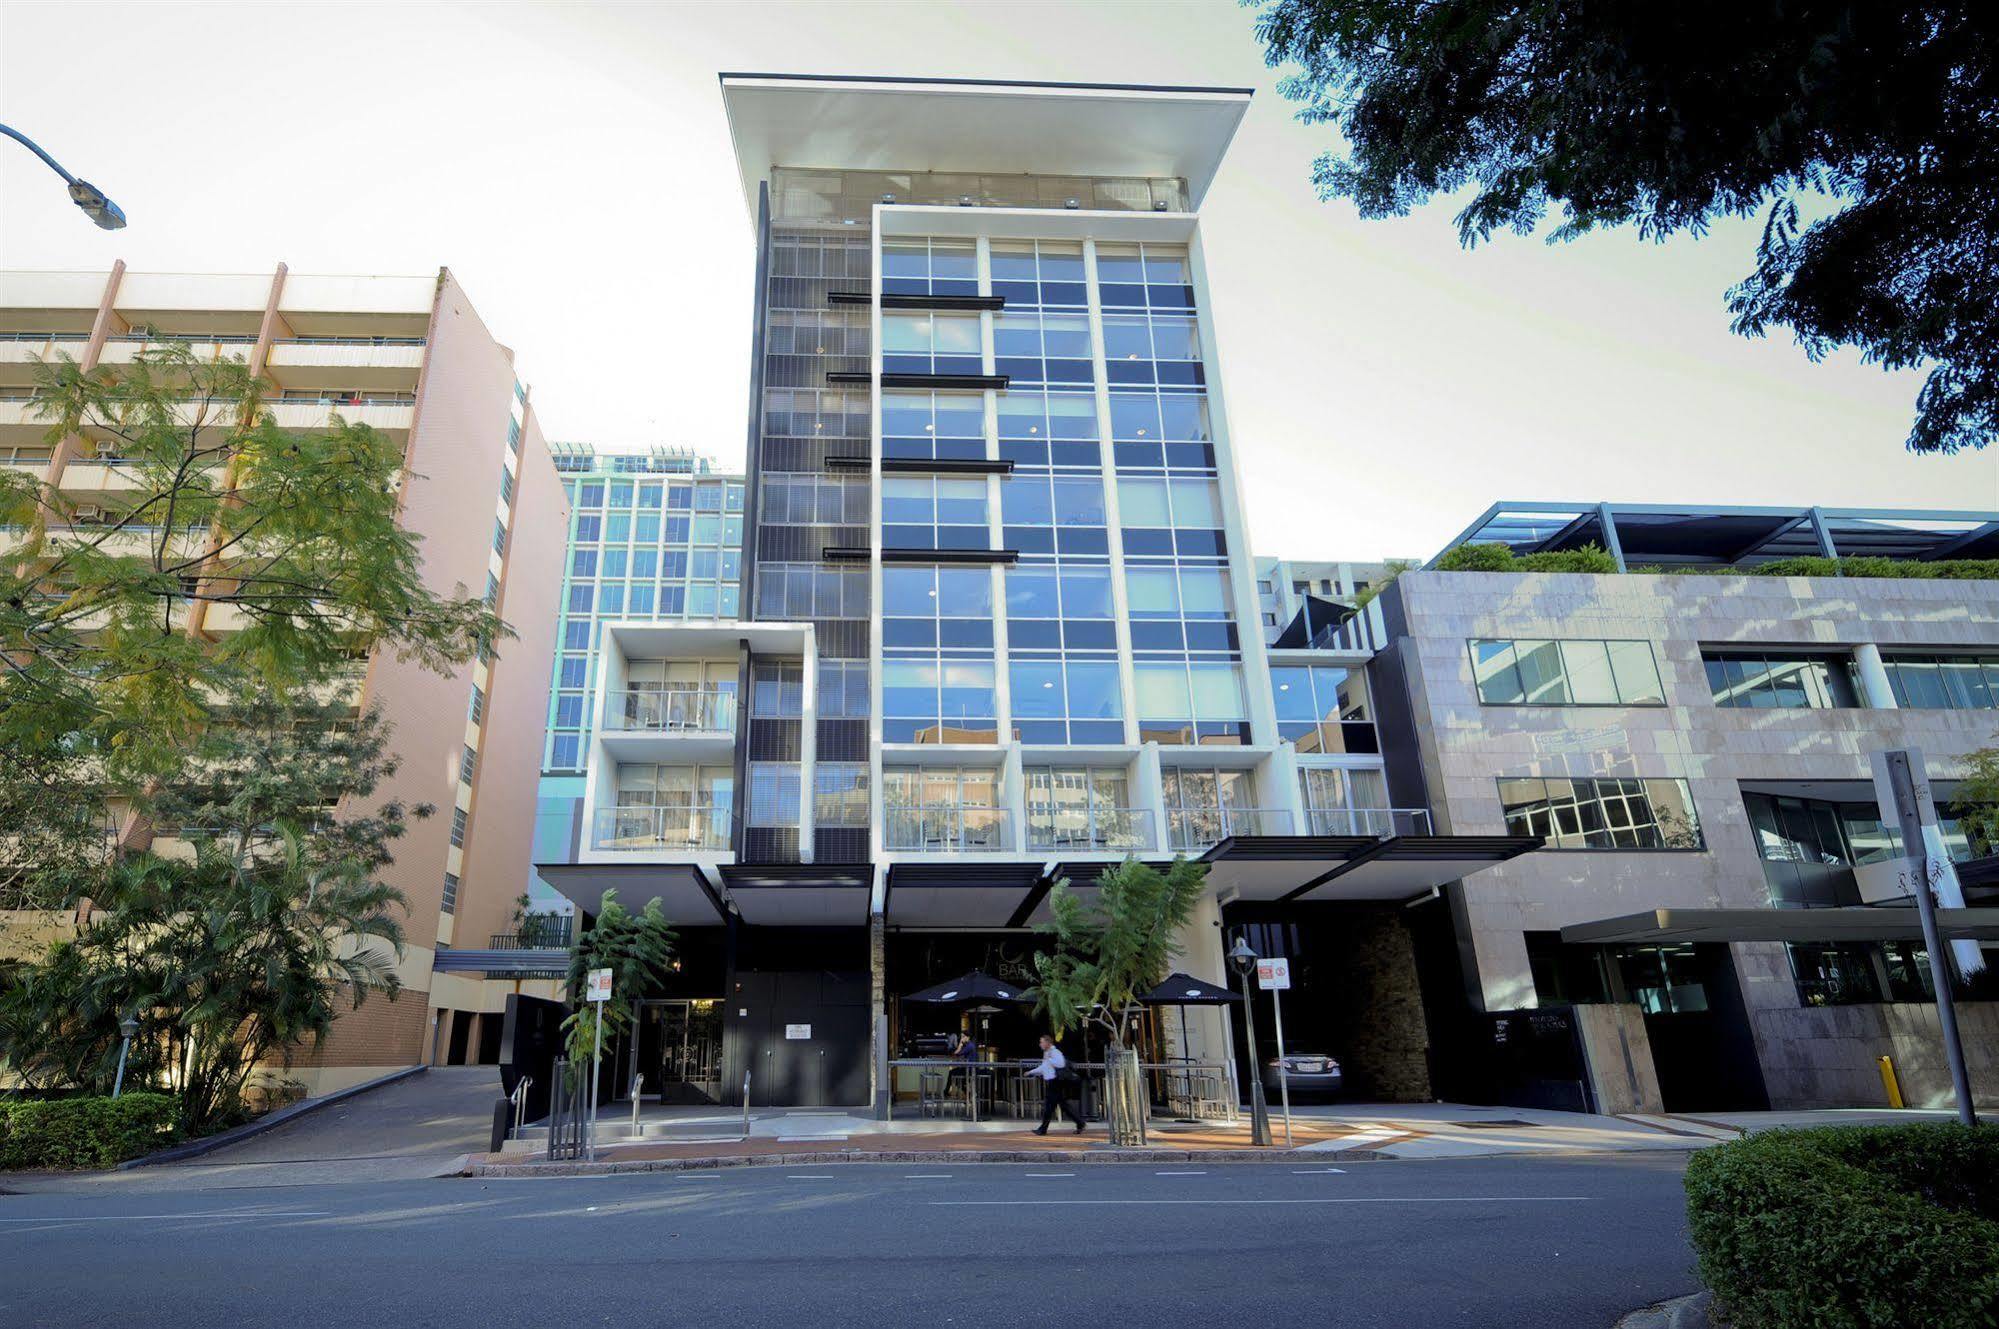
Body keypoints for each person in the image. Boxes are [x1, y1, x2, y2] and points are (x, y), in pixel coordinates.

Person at [1023, 1034, 1085, 1135]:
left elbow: (1061, 1063)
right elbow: (1043, 1068)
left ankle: (1043, 1129)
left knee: (1049, 1107)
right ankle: (1080, 1123)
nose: (1040, 1044)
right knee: (1063, 1106)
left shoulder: (1054, 1052)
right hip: (1052, 1082)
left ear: (1047, 1043)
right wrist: (1031, 1072)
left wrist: (1049, 1059)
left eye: (1042, 1042)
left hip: (1056, 1082)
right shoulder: (1047, 1053)